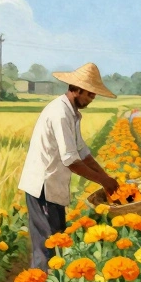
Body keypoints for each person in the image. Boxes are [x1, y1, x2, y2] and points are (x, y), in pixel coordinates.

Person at [17, 63, 120, 268]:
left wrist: (107, 178)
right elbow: (71, 161)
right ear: (77, 89)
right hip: (43, 187)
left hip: (53, 186)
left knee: (58, 241)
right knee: (47, 247)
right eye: (89, 95)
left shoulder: (72, 113)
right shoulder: (61, 113)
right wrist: (103, 181)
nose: (91, 100)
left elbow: (82, 152)